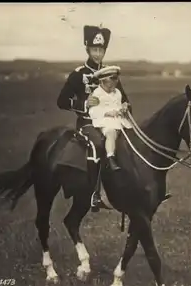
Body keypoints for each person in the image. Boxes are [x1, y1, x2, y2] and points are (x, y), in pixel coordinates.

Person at [57, 25, 131, 212]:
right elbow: (61, 101)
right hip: (88, 123)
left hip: (112, 121)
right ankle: (94, 194)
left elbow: (125, 99)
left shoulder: (110, 73)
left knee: (128, 144)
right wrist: (84, 104)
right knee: (99, 145)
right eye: (94, 49)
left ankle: (129, 191)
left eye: (101, 50)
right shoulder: (78, 74)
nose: (98, 54)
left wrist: (124, 106)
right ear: (88, 49)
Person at [88, 66, 133, 172]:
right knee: (111, 133)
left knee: (131, 133)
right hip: (104, 121)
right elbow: (93, 111)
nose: (115, 82)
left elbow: (118, 104)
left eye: (116, 79)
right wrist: (107, 112)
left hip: (119, 120)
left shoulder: (117, 92)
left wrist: (123, 107)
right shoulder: (97, 94)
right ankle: (110, 157)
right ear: (103, 81)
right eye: (112, 79)